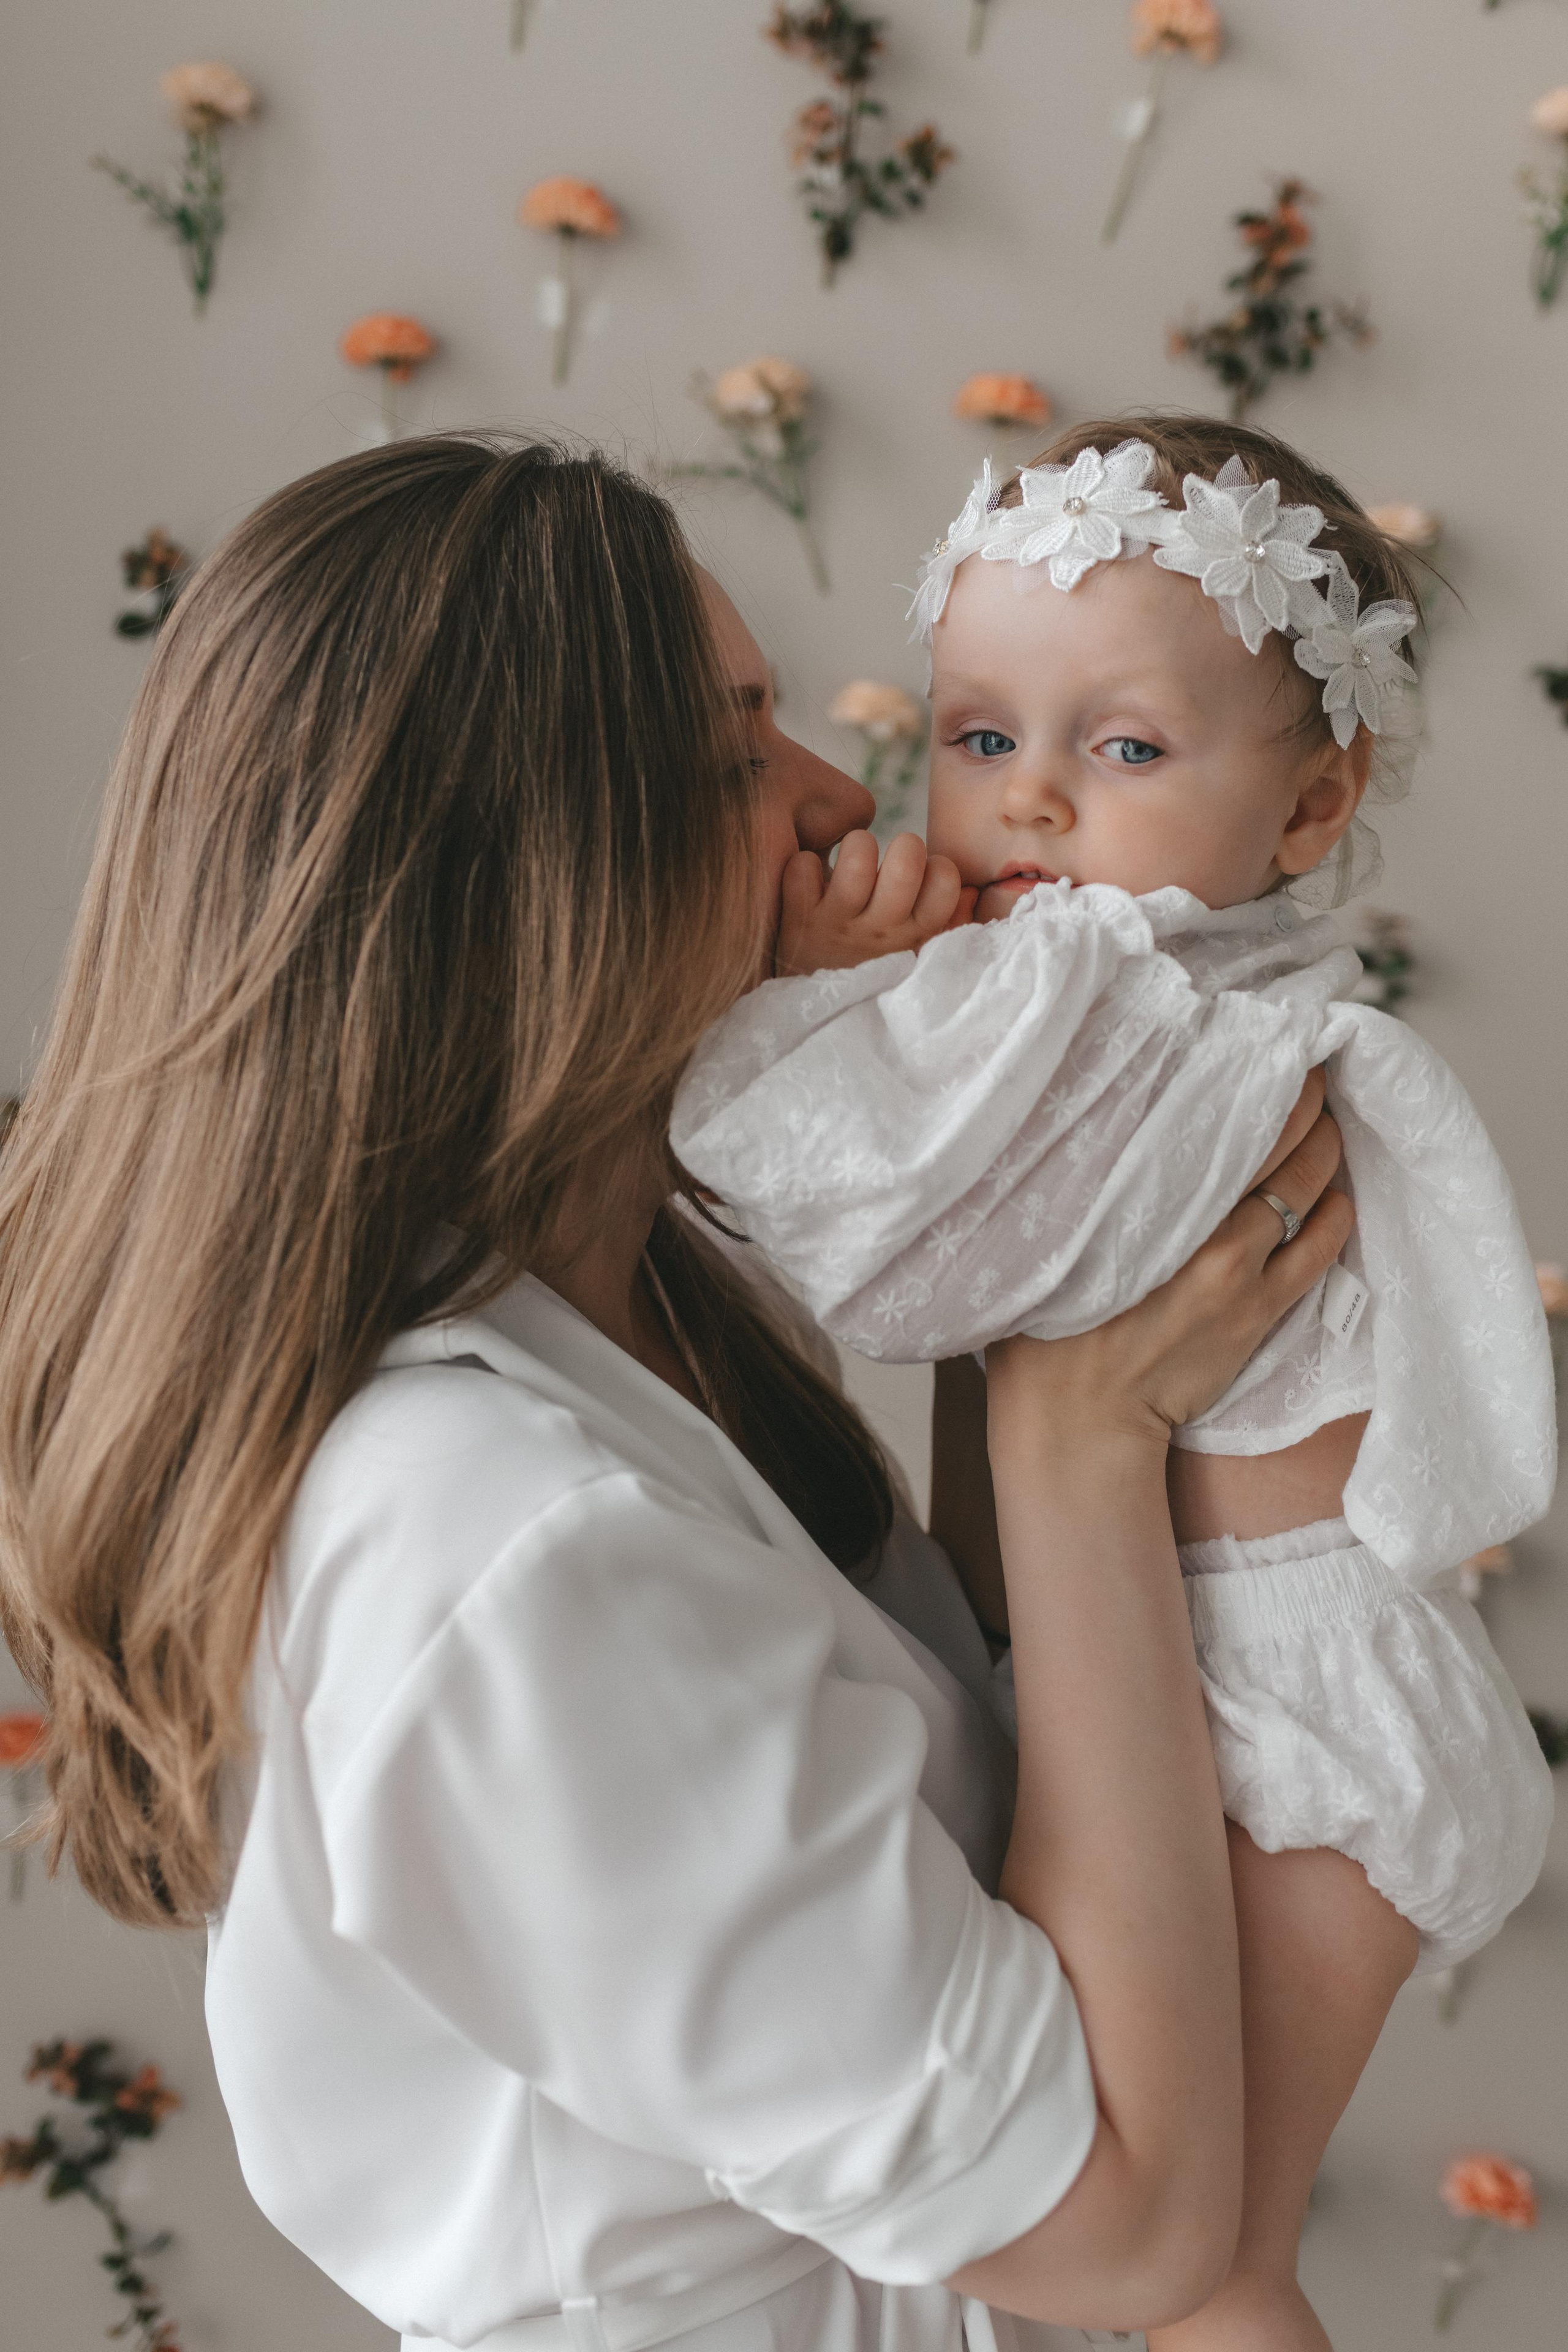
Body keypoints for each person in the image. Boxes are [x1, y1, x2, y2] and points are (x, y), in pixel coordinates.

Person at [0, 435, 1349, 2352]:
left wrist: (1013, 1241)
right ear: (524, 878)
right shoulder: (496, 1532)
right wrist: (1078, 1435)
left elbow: (1023, 1772)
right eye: (733, 760)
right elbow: (1123, 2229)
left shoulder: (653, 1332)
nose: (834, 800)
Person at [672, 416, 1555, 2352]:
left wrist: (799, 998)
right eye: (983, 738)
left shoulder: (1142, 1020)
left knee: (1204, 2276)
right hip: (1246, 1691)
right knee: (1190, 2273)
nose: (1033, 808)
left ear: (1312, 809)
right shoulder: (1149, 994)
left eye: (1125, 750)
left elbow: (877, 1247)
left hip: (1281, 1729)